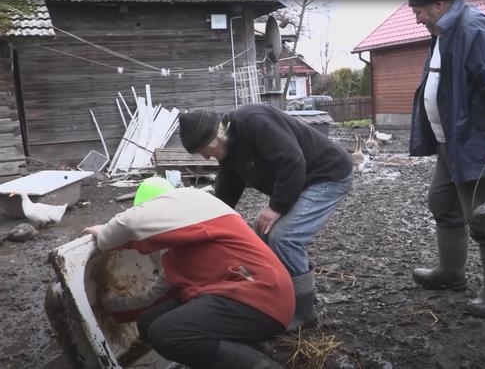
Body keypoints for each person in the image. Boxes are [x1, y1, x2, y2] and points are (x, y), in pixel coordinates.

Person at [83, 177, 293, 369]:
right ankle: (255, 353)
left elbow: (129, 223)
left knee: (167, 333)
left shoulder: (192, 202)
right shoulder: (180, 248)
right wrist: (110, 306)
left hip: (261, 294)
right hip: (240, 296)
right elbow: (154, 297)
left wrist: (105, 236)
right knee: (149, 322)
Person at [177, 104, 353, 331]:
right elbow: (228, 185)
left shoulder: (253, 121)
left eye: (204, 151)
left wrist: (276, 207)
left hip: (328, 174)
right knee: (262, 232)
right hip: (301, 180)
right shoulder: (229, 148)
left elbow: (291, 161)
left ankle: (304, 311)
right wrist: (211, 220)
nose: (206, 157)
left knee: (284, 237)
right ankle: (278, 295)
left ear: (214, 139)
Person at [408, 0, 485, 318]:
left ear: (439, 4)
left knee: (484, 217)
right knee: (443, 203)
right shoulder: (443, 32)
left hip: (477, 144)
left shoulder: (473, 28)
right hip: (452, 142)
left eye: (419, 12)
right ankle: (451, 273)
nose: (416, 18)